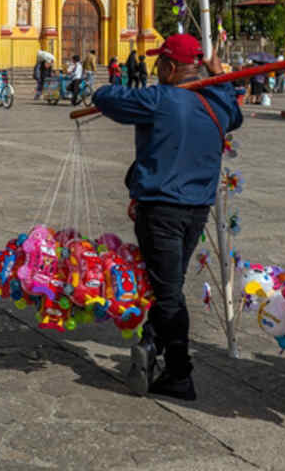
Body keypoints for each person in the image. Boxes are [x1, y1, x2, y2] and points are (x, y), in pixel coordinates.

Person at [91, 33, 243, 401]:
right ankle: (150, 344)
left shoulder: (159, 99)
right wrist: (221, 76)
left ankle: (179, 371)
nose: (157, 70)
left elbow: (104, 98)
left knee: (168, 292)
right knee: (167, 284)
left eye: (160, 64)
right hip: (195, 210)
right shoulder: (218, 103)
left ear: (171, 67)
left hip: (161, 209)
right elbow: (236, 115)